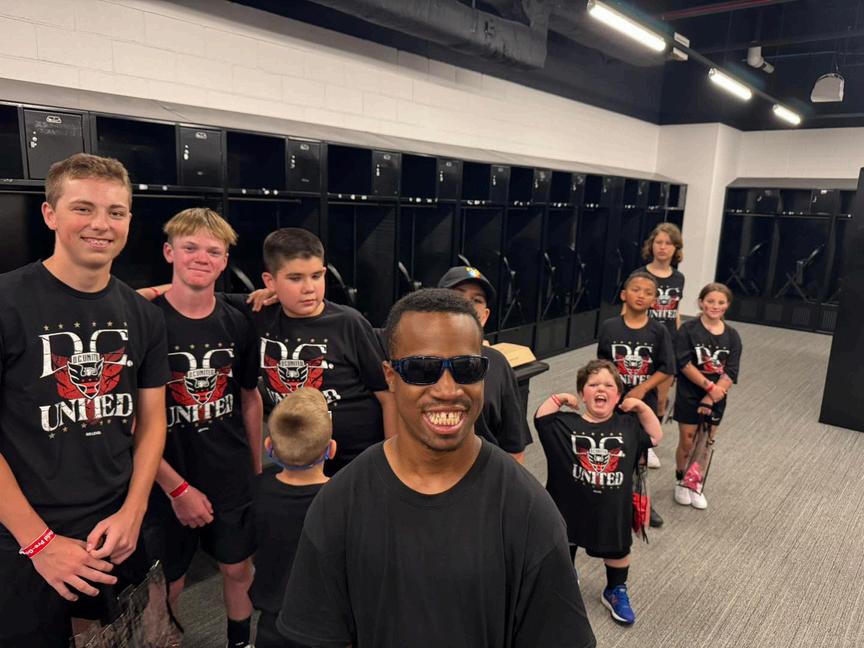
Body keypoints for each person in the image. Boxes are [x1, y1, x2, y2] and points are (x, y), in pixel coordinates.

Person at [277, 288, 596, 648]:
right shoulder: (340, 503)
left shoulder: (527, 510)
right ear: (390, 376)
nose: (447, 389)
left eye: (466, 369)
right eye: (421, 370)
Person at [0, 153, 169, 647]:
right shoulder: (6, 302)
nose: (101, 224)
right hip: (21, 537)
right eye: (83, 208)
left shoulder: (142, 315)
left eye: (116, 212)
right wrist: (39, 543)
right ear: (50, 214)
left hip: (115, 531)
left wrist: (133, 511)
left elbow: (152, 421)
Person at [142, 227, 396, 475]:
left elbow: (388, 397)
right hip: (296, 463)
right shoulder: (258, 311)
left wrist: (392, 463)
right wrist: (148, 293)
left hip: (356, 463)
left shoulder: (349, 322)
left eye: (316, 276)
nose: (309, 288)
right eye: (295, 278)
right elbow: (194, 291)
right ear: (270, 281)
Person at [142, 208, 263, 648]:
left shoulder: (237, 320)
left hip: (228, 472)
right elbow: (133, 421)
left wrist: (255, 471)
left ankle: (239, 642)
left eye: (213, 251)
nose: (201, 258)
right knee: (167, 584)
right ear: (169, 252)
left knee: (237, 569)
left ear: (225, 260)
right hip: (163, 477)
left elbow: (249, 397)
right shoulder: (144, 319)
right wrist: (176, 489)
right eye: (190, 247)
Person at [535, 359, 662, 626]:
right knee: (563, 545)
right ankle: (565, 578)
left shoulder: (628, 426)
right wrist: (558, 399)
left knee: (617, 552)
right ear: (583, 394)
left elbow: (655, 435)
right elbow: (541, 419)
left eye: (608, 385)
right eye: (593, 385)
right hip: (569, 507)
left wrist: (641, 407)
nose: (600, 389)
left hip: (612, 511)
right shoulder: (566, 424)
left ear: (618, 396)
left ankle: (615, 590)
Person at [250, 388, 333, 648]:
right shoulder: (343, 498)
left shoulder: (256, 491)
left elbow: (246, 553)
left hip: (273, 623)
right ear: (331, 449)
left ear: (268, 446)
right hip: (326, 626)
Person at [598, 270, 673, 528]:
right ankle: (611, 500)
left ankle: (641, 501)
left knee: (639, 455)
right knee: (613, 450)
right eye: (636, 290)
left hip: (643, 404)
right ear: (623, 294)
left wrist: (642, 389)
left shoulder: (659, 331)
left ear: (654, 300)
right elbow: (603, 364)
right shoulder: (609, 327)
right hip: (614, 402)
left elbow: (667, 367)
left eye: (648, 293)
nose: (641, 295)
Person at [437, 265, 533, 462]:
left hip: (484, 475)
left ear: (485, 315)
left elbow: (513, 448)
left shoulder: (497, 363)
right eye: (457, 295)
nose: (467, 304)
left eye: (477, 300)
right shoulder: (414, 361)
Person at [673, 283, 742, 511]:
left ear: (727, 305)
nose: (715, 306)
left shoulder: (732, 336)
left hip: (717, 396)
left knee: (706, 442)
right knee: (688, 440)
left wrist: (713, 396)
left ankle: (695, 482)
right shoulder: (688, 330)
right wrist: (709, 387)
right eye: (710, 301)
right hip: (690, 392)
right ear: (701, 302)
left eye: (721, 302)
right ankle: (680, 479)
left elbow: (731, 371)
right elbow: (684, 363)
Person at [637, 222, 685, 438]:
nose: (663, 247)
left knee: (660, 399)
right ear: (651, 245)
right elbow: (627, 311)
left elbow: (675, 311)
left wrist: (679, 342)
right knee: (639, 394)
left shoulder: (678, 278)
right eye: (659, 242)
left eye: (668, 243)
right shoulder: (640, 275)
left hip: (668, 343)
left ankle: (651, 441)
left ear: (676, 248)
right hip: (643, 342)